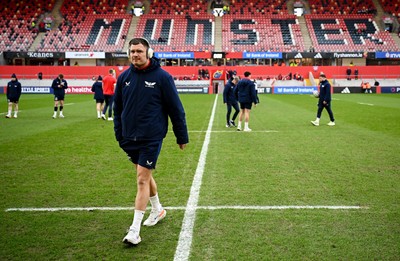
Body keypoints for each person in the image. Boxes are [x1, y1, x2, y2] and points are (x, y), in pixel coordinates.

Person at [114, 37, 189, 245]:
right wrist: (119, 134)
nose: (135, 54)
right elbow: (117, 108)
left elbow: (176, 109)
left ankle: (134, 231)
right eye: (132, 51)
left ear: (149, 52)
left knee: (141, 178)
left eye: (139, 51)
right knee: (144, 176)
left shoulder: (162, 77)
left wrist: (181, 135)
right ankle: (157, 210)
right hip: (128, 138)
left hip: (151, 136)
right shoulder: (124, 78)